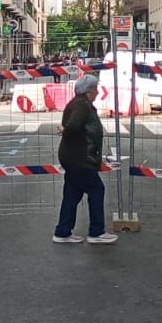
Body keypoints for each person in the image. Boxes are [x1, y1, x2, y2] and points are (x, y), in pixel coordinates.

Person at [54, 73, 116, 244]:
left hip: (73, 156)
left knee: (72, 194)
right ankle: (96, 232)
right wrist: (66, 130)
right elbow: (74, 126)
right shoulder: (82, 105)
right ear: (88, 91)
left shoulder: (80, 103)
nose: (98, 91)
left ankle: (63, 231)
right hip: (79, 158)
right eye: (95, 89)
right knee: (97, 189)